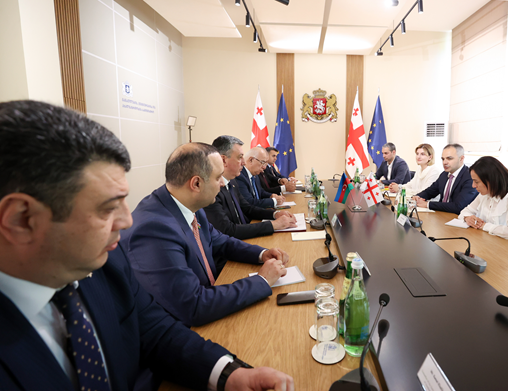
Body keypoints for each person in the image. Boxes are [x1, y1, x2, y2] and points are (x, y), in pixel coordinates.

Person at [0, 100, 294, 391]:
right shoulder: (118, 245)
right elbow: (190, 307)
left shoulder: (103, 263)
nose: (127, 221)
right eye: (107, 208)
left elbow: (155, 330)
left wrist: (229, 374)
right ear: (21, 220)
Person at [121, 143, 290, 327]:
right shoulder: (154, 230)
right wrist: (262, 280)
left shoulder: (189, 204)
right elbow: (194, 306)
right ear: (196, 183)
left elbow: (221, 241)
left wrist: (261, 253)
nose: (223, 183)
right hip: (183, 329)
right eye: (218, 177)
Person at [204, 136, 297, 240]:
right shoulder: (212, 190)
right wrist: (273, 225)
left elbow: (248, 208)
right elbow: (228, 230)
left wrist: (275, 214)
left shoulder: (232, 182)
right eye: (240, 157)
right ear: (223, 160)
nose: (244, 162)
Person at [457, 156, 508, 248]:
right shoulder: (485, 194)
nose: (473, 186)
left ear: (490, 180)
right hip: (491, 244)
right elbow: (464, 212)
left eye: (476, 182)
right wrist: (467, 218)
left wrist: (484, 226)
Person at [414, 144, 478, 214]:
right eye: (443, 159)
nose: (444, 162)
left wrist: (428, 204)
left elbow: (458, 206)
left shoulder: (470, 177)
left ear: (461, 158)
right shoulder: (444, 174)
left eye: (449, 158)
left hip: (457, 217)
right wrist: (417, 197)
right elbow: (430, 191)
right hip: (441, 215)